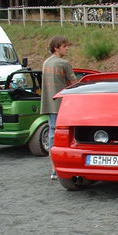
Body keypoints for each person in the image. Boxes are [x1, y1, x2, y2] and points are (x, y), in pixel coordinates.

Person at [41, 36, 77, 180]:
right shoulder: (64, 63)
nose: (67, 48)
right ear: (56, 48)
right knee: (68, 136)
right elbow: (74, 85)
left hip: (50, 104)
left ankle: (54, 169)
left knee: (52, 136)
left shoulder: (45, 63)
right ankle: (68, 167)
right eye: (64, 46)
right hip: (63, 105)